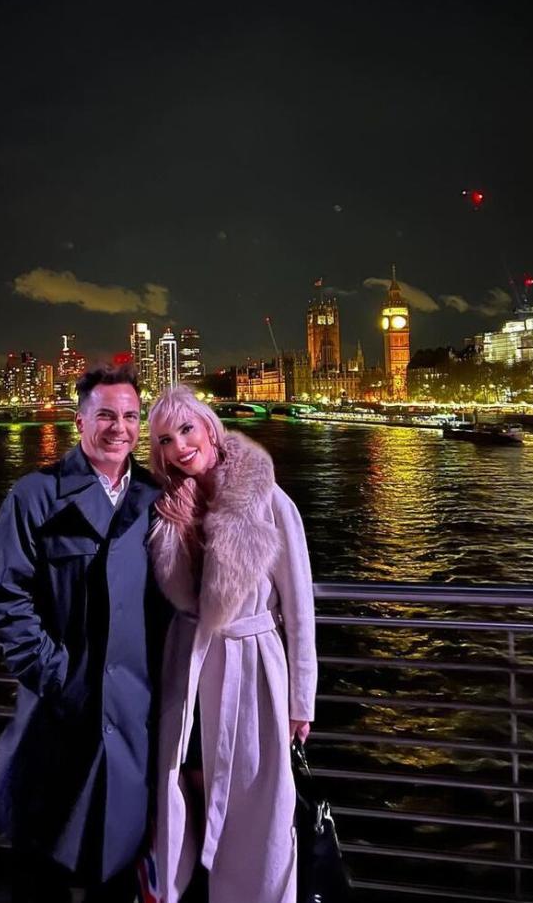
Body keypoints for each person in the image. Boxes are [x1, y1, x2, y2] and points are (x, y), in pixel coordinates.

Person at [0, 363, 163, 903]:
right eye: (105, 415)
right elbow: (4, 595)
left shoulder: (156, 500)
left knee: (119, 858)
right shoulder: (34, 496)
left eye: (130, 416)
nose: (119, 428)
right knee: (44, 856)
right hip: (59, 709)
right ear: (80, 420)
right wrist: (57, 676)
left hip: (132, 711)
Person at [147, 385, 318, 903]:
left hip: (254, 669)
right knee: (189, 790)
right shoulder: (167, 508)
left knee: (256, 802)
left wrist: (301, 698)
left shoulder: (265, 498)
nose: (180, 445)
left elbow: (299, 601)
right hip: (190, 672)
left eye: (187, 429)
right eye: (166, 438)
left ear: (208, 427)